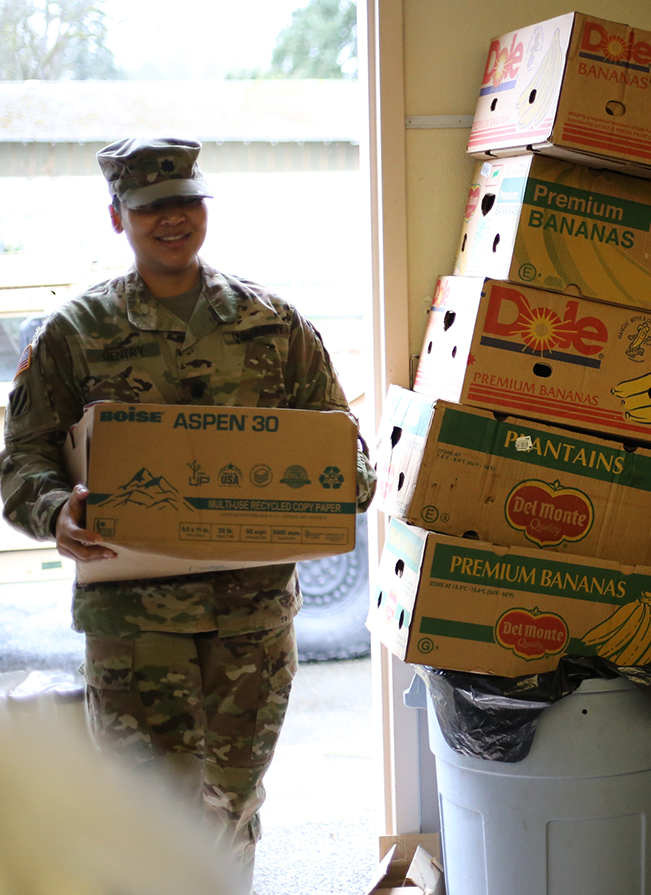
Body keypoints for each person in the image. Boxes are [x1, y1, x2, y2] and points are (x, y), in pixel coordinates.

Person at [0, 137, 375, 890]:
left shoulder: (275, 325)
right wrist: (55, 513)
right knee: (145, 814)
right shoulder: (76, 334)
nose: (172, 220)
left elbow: (348, 454)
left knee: (232, 803)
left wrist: (337, 490)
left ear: (204, 207)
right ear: (118, 218)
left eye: (185, 202)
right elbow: (21, 463)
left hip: (252, 618)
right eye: (150, 208)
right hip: (134, 620)